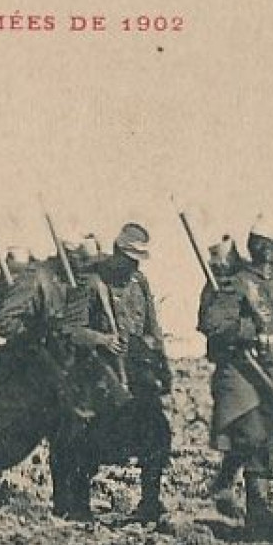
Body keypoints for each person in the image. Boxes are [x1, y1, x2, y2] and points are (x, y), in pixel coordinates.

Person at [58, 223, 174, 523]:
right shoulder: (90, 282)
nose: (133, 265)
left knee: (156, 433)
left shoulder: (139, 282)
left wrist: (161, 364)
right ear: (116, 252)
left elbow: (152, 328)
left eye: (138, 259)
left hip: (136, 374)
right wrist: (102, 339)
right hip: (99, 375)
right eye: (129, 258)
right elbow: (70, 330)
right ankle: (79, 507)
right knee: (89, 440)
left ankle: (150, 502)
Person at [197, 228, 273, 532]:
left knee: (270, 434)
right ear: (266, 250)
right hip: (241, 368)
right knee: (252, 432)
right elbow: (213, 325)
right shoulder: (237, 284)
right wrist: (249, 331)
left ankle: (238, 491)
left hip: (270, 367)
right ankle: (256, 505)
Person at [0, 247, 77, 512]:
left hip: (65, 372)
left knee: (65, 440)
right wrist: (40, 332)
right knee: (12, 436)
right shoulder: (36, 278)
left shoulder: (78, 281)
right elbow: (5, 323)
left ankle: (64, 503)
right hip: (31, 373)